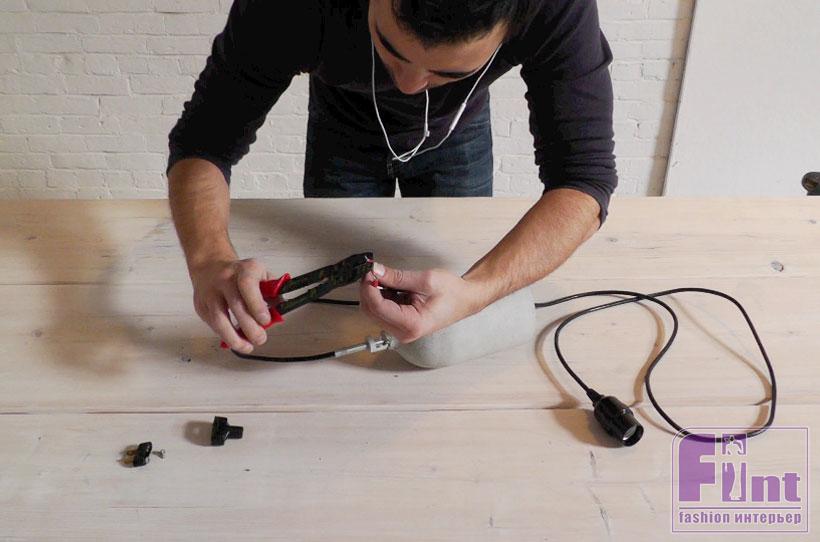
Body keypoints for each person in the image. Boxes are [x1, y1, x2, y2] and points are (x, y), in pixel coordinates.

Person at [167, 0, 617, 354]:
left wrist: (478, 292)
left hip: (457, 131)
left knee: (454, 287)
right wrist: (208, 260)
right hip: (341, 129)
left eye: (447, 71)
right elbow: (203, 143)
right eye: (390, 46)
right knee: (341, 310)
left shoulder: (556, 6)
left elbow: (584, 179)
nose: (408, 84)